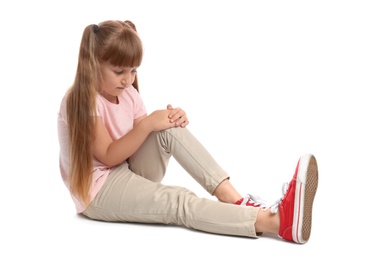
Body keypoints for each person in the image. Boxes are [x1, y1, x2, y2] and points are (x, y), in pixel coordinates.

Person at [57, 20, 319, 244]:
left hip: (128, 170)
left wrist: (167, 120)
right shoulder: (80, 101)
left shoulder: (129, 94)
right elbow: (110, 156)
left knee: (168, 126)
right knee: (178, 200)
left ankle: (236, 201)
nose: (127, 79)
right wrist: (149, 123)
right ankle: (276, 221)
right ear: (93, 64)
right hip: (99, 191)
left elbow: (138, 142)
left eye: (133, 70)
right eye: (119, 71)